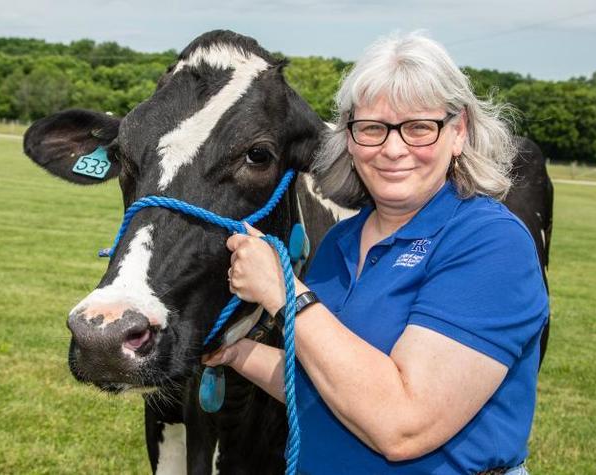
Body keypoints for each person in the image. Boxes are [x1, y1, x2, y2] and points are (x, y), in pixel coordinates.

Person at [203, 31, 548, 475]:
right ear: (349, 138)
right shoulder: (340, 242)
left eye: (419, 127)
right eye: (372, 128)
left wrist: (284, 293)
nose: (393, 148)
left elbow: (402, 426)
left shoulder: (490, 243)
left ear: (458, 131)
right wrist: (233, 354)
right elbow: (328, 384)